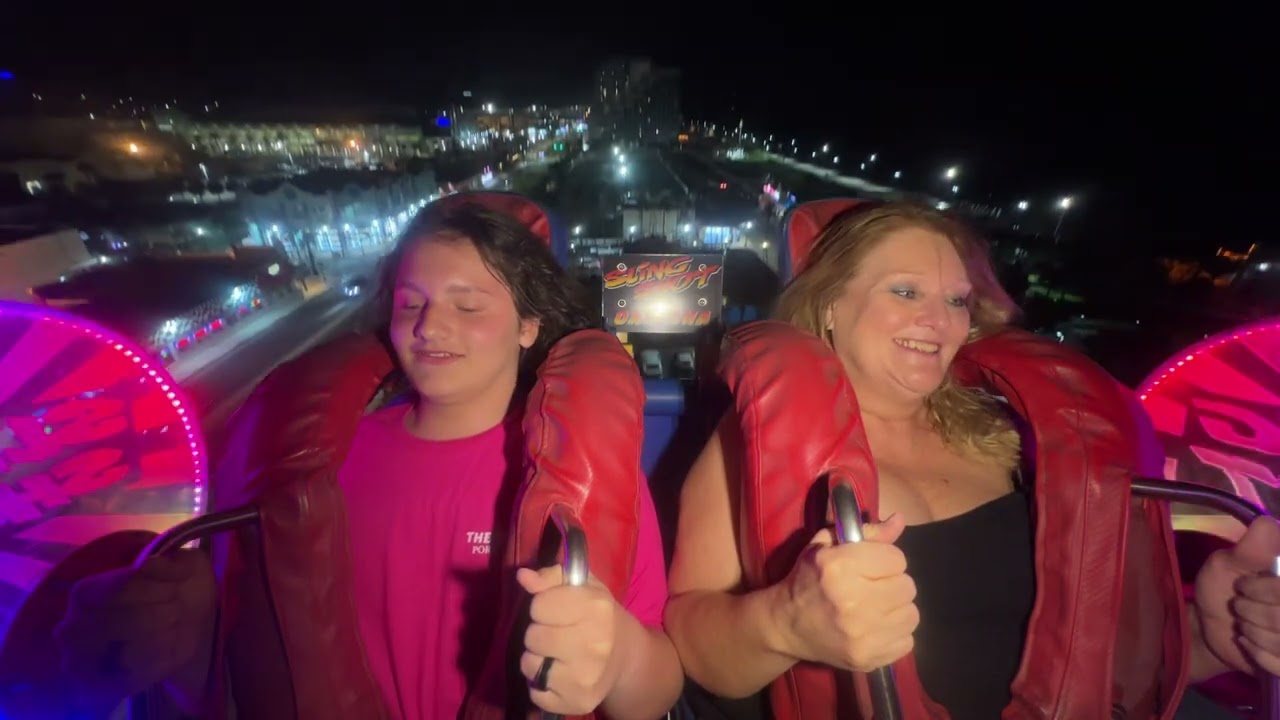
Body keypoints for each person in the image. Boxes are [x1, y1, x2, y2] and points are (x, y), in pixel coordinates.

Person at [54, 199, 683, 720]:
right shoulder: (325, 461)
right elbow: (241, 651)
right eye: (412, 304)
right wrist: (168, 621)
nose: (431, 328)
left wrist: (619, 656)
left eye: (468, 306)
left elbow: (661, 685)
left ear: (528, 325)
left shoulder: (583, 473)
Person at [664, 202, 1280, 719]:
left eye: (957, 301)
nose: (937, 321)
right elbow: (691, 640)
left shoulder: (1016, 439)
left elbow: (1082, 645)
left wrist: (1207, 636)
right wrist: (785, 624)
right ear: (829, 306)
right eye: (904, 292)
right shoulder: (752, 442)